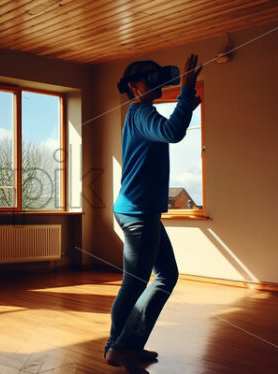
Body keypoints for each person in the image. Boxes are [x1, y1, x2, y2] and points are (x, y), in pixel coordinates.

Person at [104, 54, 202, 374]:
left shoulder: (141, 114)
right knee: (138, 283)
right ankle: (120, 347)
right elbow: (173, 132)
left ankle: (120, 346)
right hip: (139, 213)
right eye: (149, 77)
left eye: (158, 75)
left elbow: (170, 128)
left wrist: (187, 102)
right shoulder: (142, 112)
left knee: (160, 277)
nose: (156, 80)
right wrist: (186, 91)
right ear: (133, 87)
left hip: (139, 211)